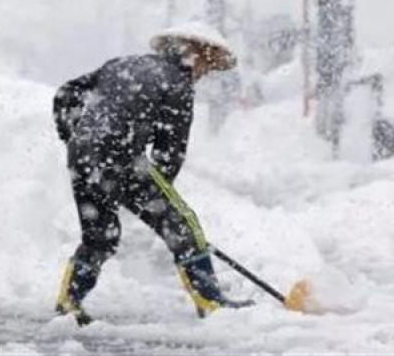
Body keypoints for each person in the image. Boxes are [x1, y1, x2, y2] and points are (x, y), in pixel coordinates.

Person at [53, 22, 252, 325]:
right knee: (184, 224)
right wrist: (157, 200)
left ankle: (69, 301)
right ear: (196, 54)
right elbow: (170, 152)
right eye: (207, 65)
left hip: (82, 156)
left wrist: (77, 136)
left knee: (100, 235)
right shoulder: (178, 84)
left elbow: (67, 93)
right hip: (121, 157)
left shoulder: (122, 64)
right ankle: (210, 301)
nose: (205, 73)